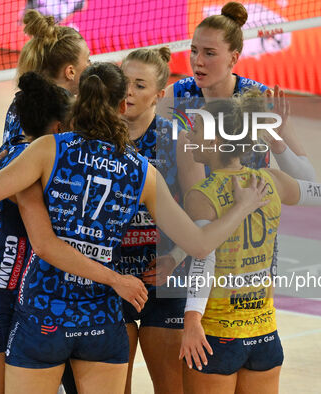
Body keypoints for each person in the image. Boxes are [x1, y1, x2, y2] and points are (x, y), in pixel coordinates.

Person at [0, 62, 271, 394]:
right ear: (122, 105)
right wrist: (242, 206)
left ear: (78, 99)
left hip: (45, 311)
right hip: (102, 315)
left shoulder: (49, 149)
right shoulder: (140, 168)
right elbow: (199, 244)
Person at [177, 92, 321, 394]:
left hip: (218, 336)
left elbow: (203, 258)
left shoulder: (201, 195)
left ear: (216, 142)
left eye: (196, 129)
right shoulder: (271, 180)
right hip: (265, 338)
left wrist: (192, 320)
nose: (189, 133)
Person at [162, 1, 315, 194]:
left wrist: (277, 143)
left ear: (233, 58)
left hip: (248, 212)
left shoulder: (259, 99)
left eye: (209, 53)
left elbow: (308, 180)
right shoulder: (174, 95)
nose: (197, 61)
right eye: (194, 51)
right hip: (191, 213)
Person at [116, 47, 189, 394]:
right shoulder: (96, 136)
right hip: (112, 278)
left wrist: (174, 258)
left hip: (165, 276)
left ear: (159, 95)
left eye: (140, 85)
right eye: (124, 82)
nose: (127, 92)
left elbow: (199, 215)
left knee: (172, 387)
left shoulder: (175, 141)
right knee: (115, 387)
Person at [2, 9, 90, 144]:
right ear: (70, 72)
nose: (91, 65)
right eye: (88, 59)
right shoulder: (68, 112)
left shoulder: (20, 101)